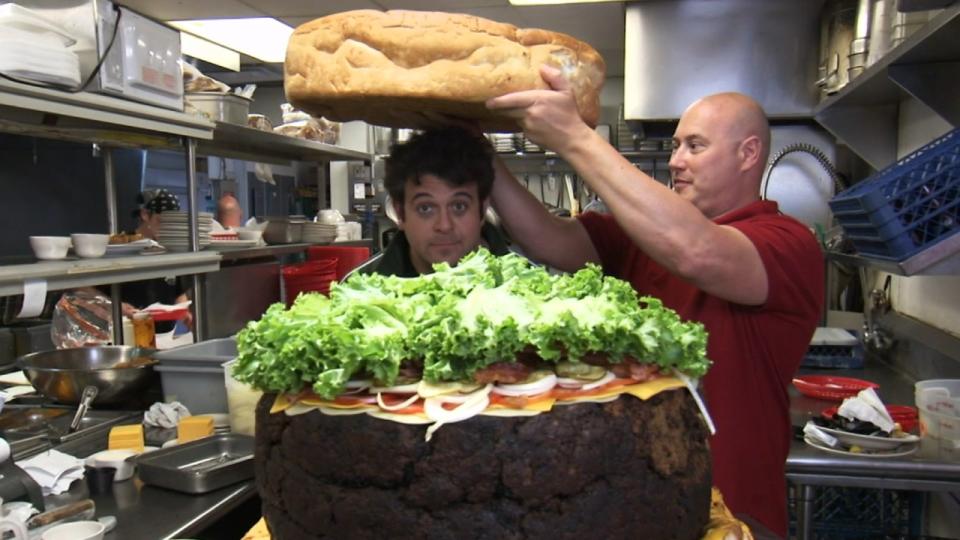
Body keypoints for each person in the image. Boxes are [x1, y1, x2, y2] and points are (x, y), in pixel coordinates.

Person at [485, 66, 824, 536]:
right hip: (645, 502)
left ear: (748, 154)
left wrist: (575, 138)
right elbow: (547, 240)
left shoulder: (788, 242)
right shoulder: (647, 236)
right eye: (675, 146)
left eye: (695, 146)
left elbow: (697, 251)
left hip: (734, 513)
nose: (676, 161)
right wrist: (483, 159)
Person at [354, 126, 510, 277]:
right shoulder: (360, 292)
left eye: (459, 206)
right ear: (400, 213)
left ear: (482, 210)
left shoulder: (525, 283)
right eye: (425, 208)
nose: (444, 226)